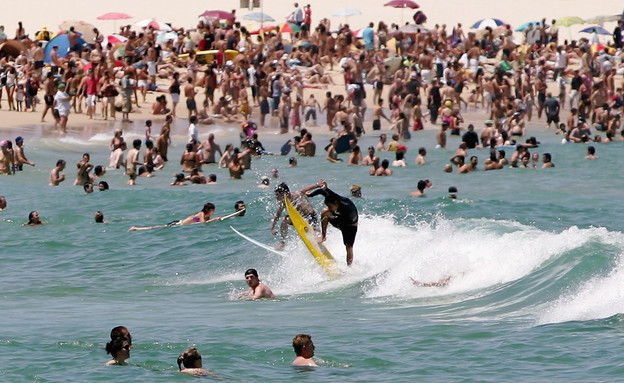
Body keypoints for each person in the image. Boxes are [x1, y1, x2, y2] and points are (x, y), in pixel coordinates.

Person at [308, 179, 358, 266]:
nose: (329, 208)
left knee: (348, 246)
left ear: (335, 203)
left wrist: (336, 216)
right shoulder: (334, 200)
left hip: (350, 225)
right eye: (328, 206)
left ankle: (349, 266)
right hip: (340, 220)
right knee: (325, 212)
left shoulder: (346, 206)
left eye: (330, 206)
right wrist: (310, 195)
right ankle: (323, 236)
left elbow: (351, 220)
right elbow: (321, 191)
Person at [271, 182, 320, 249]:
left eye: (277, 194)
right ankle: (283, 244)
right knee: (284, 220)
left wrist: (318, 185)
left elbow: (307, 188)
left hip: (311, 217)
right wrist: (272, 228)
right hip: (299, 219)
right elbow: (278, 214)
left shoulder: (297, 194)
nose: (276, 196)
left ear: (284, 194)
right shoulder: (284, 202)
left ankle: (320, 241)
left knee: (317, 235)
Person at [128, 203, 217, 231]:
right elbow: (202, 224)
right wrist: (215, 219)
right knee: (156, 228)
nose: (213, 212)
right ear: (208, 210)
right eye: (213, 210)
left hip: (179, 225)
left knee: (158, 227)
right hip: (177, 224)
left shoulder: (206, 217)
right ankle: (136, 228)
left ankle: (136, 228)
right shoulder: (201, 214)